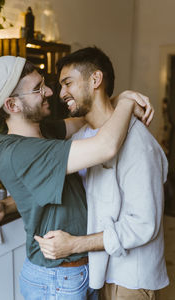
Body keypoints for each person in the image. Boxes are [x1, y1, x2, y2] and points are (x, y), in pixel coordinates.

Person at [0, 55, 152, 300]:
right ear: (12, 105)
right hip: (56, 280)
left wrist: (7, 204)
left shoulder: (44, 132)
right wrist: (125, 101)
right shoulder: (22, 152)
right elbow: (106, 146)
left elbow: (88, 117)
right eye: (38, 89)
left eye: (44, 83)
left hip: (74, 272)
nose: (50, 92)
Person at [32, 47, 169, 300]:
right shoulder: (85, 139)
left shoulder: (138, 142)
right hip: (97, 272)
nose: (61, 93)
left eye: (68, 83)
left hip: (130, 279)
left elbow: (143, 224)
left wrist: (74, 244)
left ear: (95, 80)